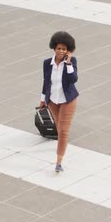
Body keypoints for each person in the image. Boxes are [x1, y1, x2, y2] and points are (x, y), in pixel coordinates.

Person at [39, 31, 79, 173]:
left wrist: (68, 63)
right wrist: (43, 99)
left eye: (64, 49)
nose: (61, 51)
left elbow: (73, 79)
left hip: (67, 100)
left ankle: (58, 162)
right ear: (54, 48)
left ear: (68, 50)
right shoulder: (47, 63)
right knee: (58, 126)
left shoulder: (71, 62)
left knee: (63, 132)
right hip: (52, 100)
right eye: (59, 48)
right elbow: (46, 81)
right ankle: (60, 146)